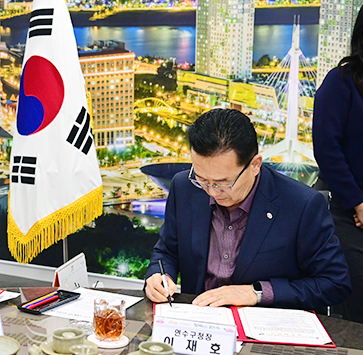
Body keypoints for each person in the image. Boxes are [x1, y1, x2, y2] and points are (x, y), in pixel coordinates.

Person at [144, 108, 351, 310]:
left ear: (255, 165)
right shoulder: (184, 187)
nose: (212, 192)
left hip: (265, 323)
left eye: (223, 182)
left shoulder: (302, 204)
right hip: (199, 318)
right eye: (201, 179)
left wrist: (257, 293)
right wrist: (159, 276)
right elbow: (167, 251)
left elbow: (334, 283)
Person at [313, 0, 363, 324]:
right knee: (360, 297)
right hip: (345, 205)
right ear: (362, 32)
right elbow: (326, 148)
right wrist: (359, 204)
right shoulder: (341, 82)